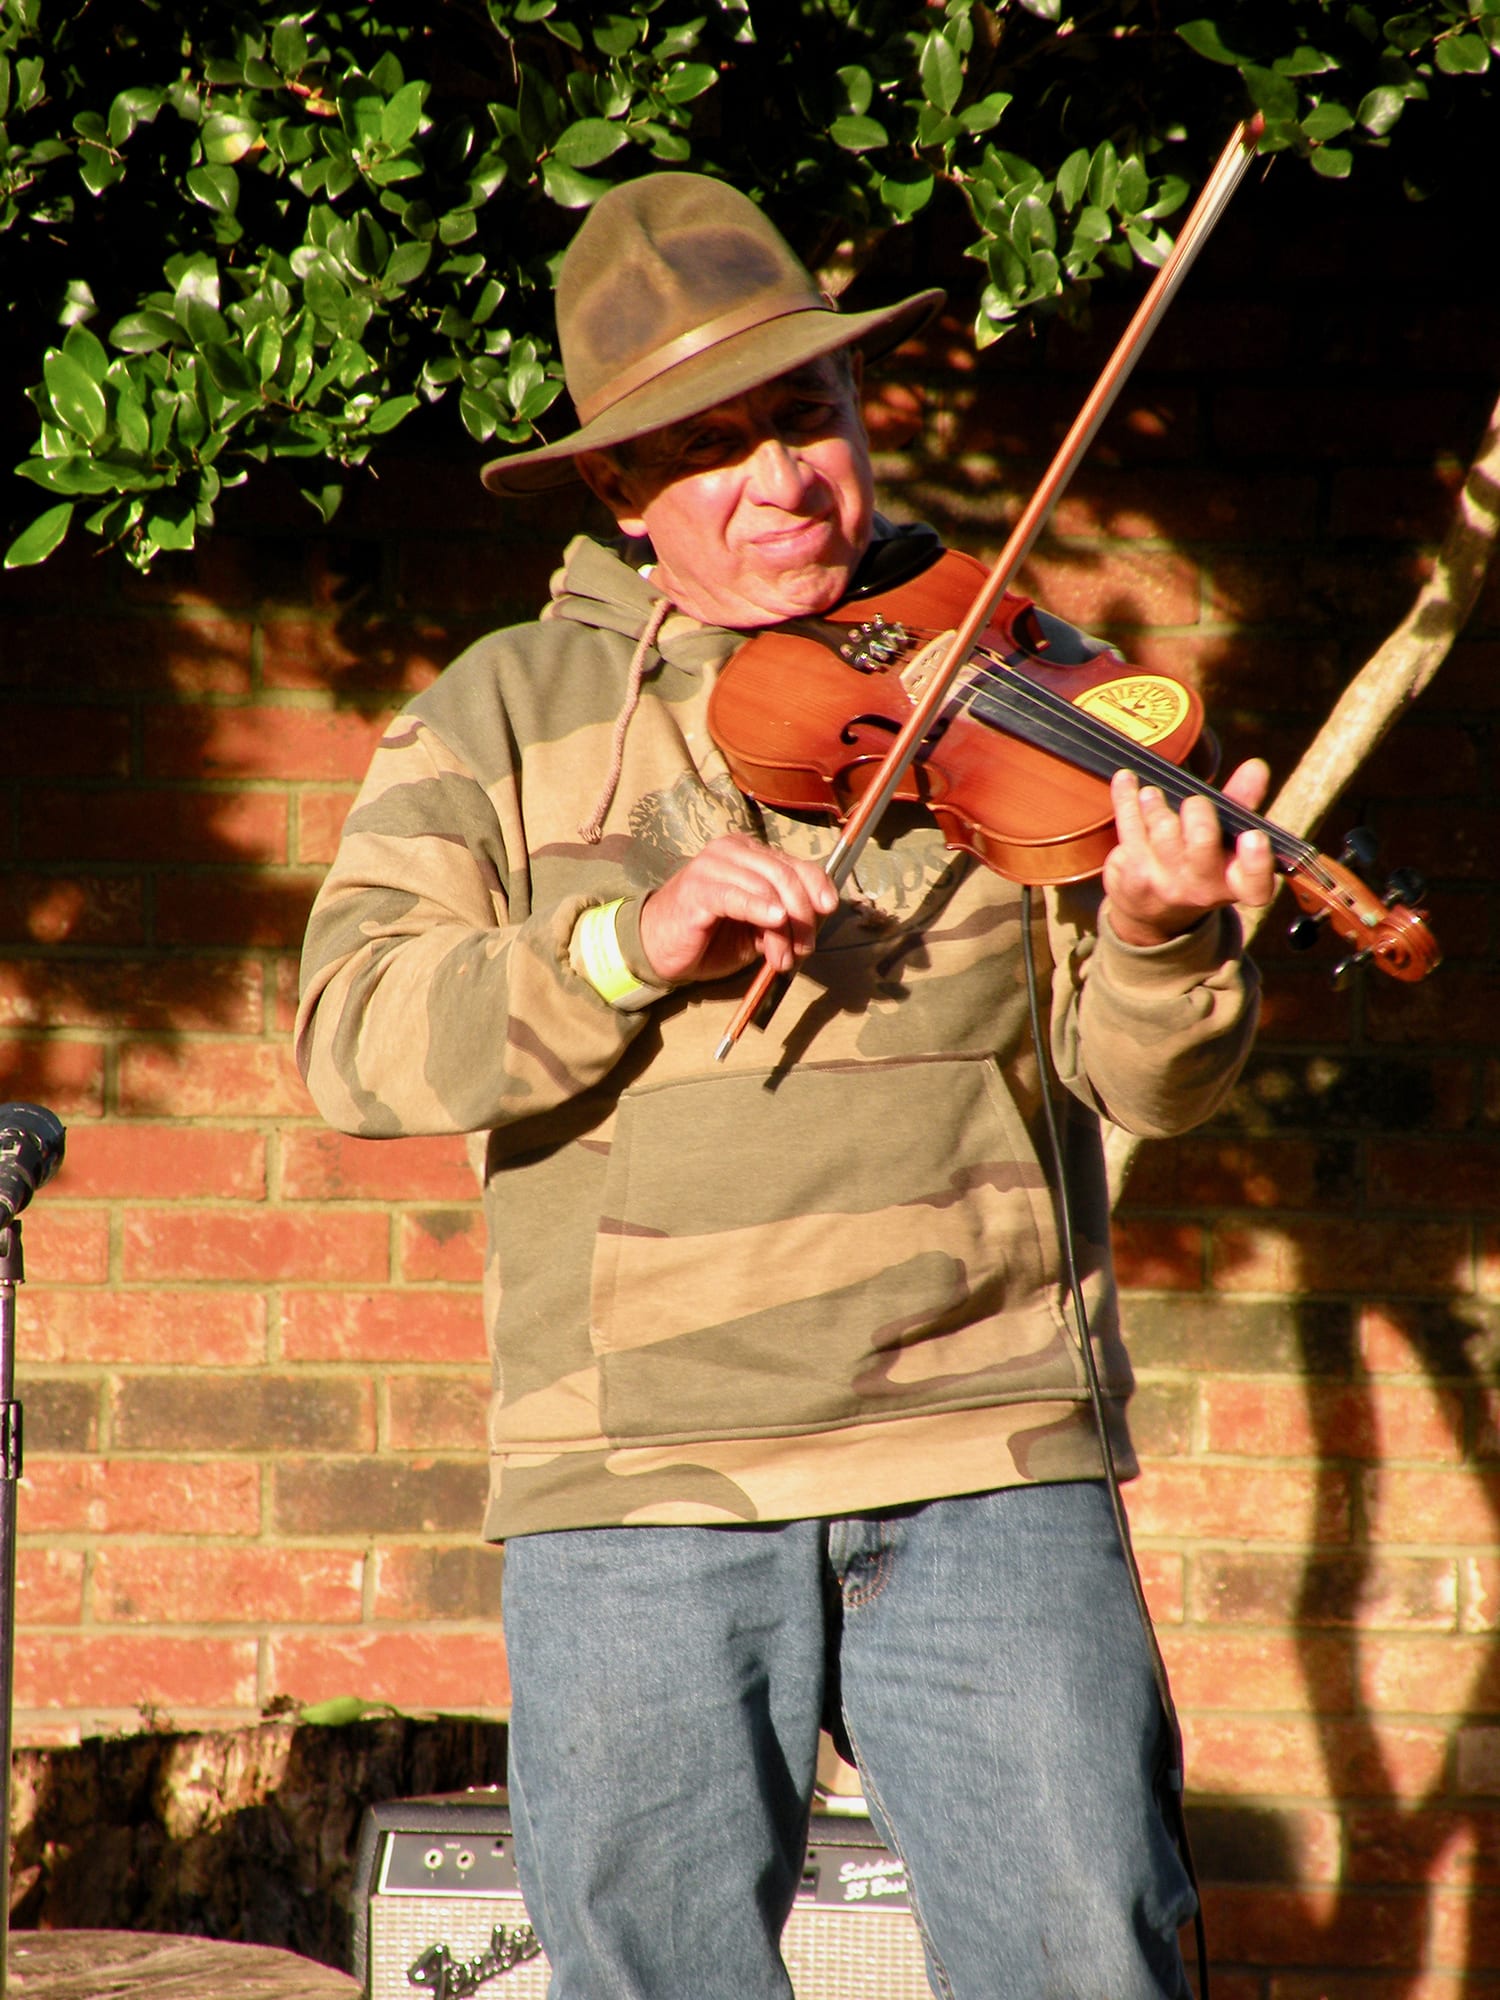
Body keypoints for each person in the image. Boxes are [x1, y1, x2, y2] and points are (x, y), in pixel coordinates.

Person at [297, 172, 1276, 1999]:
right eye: (716, 445)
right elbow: (350, 1033)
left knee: (1092, 1964)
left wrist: (1159, 940)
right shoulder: (497, 716)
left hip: (990, 1451)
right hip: (638, 1487)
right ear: (615, 487)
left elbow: (1152, 1085)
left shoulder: (1007, 673)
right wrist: (617, 947)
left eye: (806, 422)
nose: (786, 484)